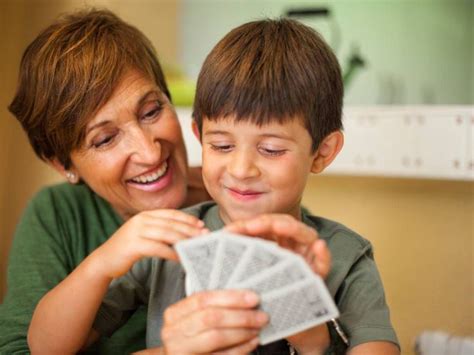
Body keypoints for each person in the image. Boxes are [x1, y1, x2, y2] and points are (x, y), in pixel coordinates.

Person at [27, 18, 400, 354]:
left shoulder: (346, 256)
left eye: (270, 149)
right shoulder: (171, 242)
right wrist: (101, 263)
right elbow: (45, 348)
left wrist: (313, 340)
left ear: (322, 152)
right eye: (221, 146)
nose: (240, 168)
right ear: (199, 136)